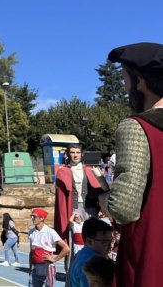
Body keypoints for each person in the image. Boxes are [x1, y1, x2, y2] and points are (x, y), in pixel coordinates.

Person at [102, 42, 163, 286]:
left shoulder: (138, 127)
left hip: (152, 253)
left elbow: (125, 207)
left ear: (141, 82)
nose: (125, 87)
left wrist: (106, 200)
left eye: (125, 79)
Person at [54, 143, 104, 259]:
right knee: (74, 239)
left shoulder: (90, 170)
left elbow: (102, 191)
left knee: (92, 237)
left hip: (90, 208)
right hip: (73, 208)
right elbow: (61, 199)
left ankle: (92, 266)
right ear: (67, 154)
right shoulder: (62, 172)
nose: (75, 155)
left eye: (77, 153)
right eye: (72, 152)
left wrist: (102, 208)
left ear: (82, 154)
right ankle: (72, 268)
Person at [28, 208, 70, 287]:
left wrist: (55, 259)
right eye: (32, 216)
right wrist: (30, 268)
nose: (32, 218)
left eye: (34, 216)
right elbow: (31, 252)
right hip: (35, 268)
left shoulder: (50, 232)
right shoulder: (31, 233)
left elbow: (66, 248)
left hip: (47, 267)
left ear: (42, 218)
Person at [67, 218, 113, 287]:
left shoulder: (82, 256)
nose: (110, 246)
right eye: (104, 242)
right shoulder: (88, 263)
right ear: (89, 241)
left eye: (111, 241)